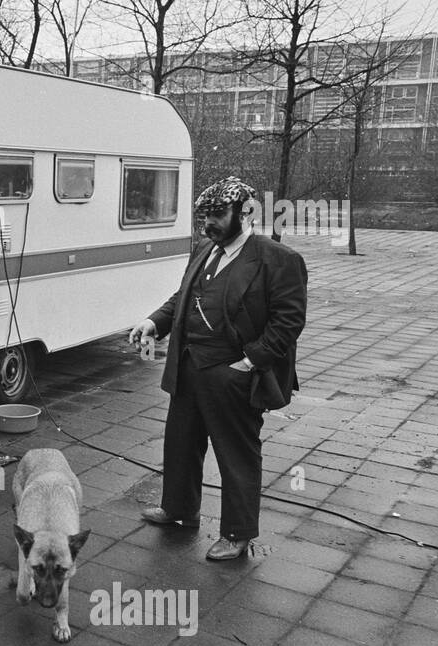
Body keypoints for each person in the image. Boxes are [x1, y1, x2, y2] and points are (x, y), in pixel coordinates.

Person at [128, 176, 308, 560]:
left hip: (233, 374)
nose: (208, 224)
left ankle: (237, 534)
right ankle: (179, 509)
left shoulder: (278, 259)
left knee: (237, 455)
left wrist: (248, 362)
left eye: (218, 215)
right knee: (180, 443)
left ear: (245, 212)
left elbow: (288, 322)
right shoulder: (206, 249)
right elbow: (184, 296)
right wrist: (154, 322)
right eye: (204, 217)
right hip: (189, 367)